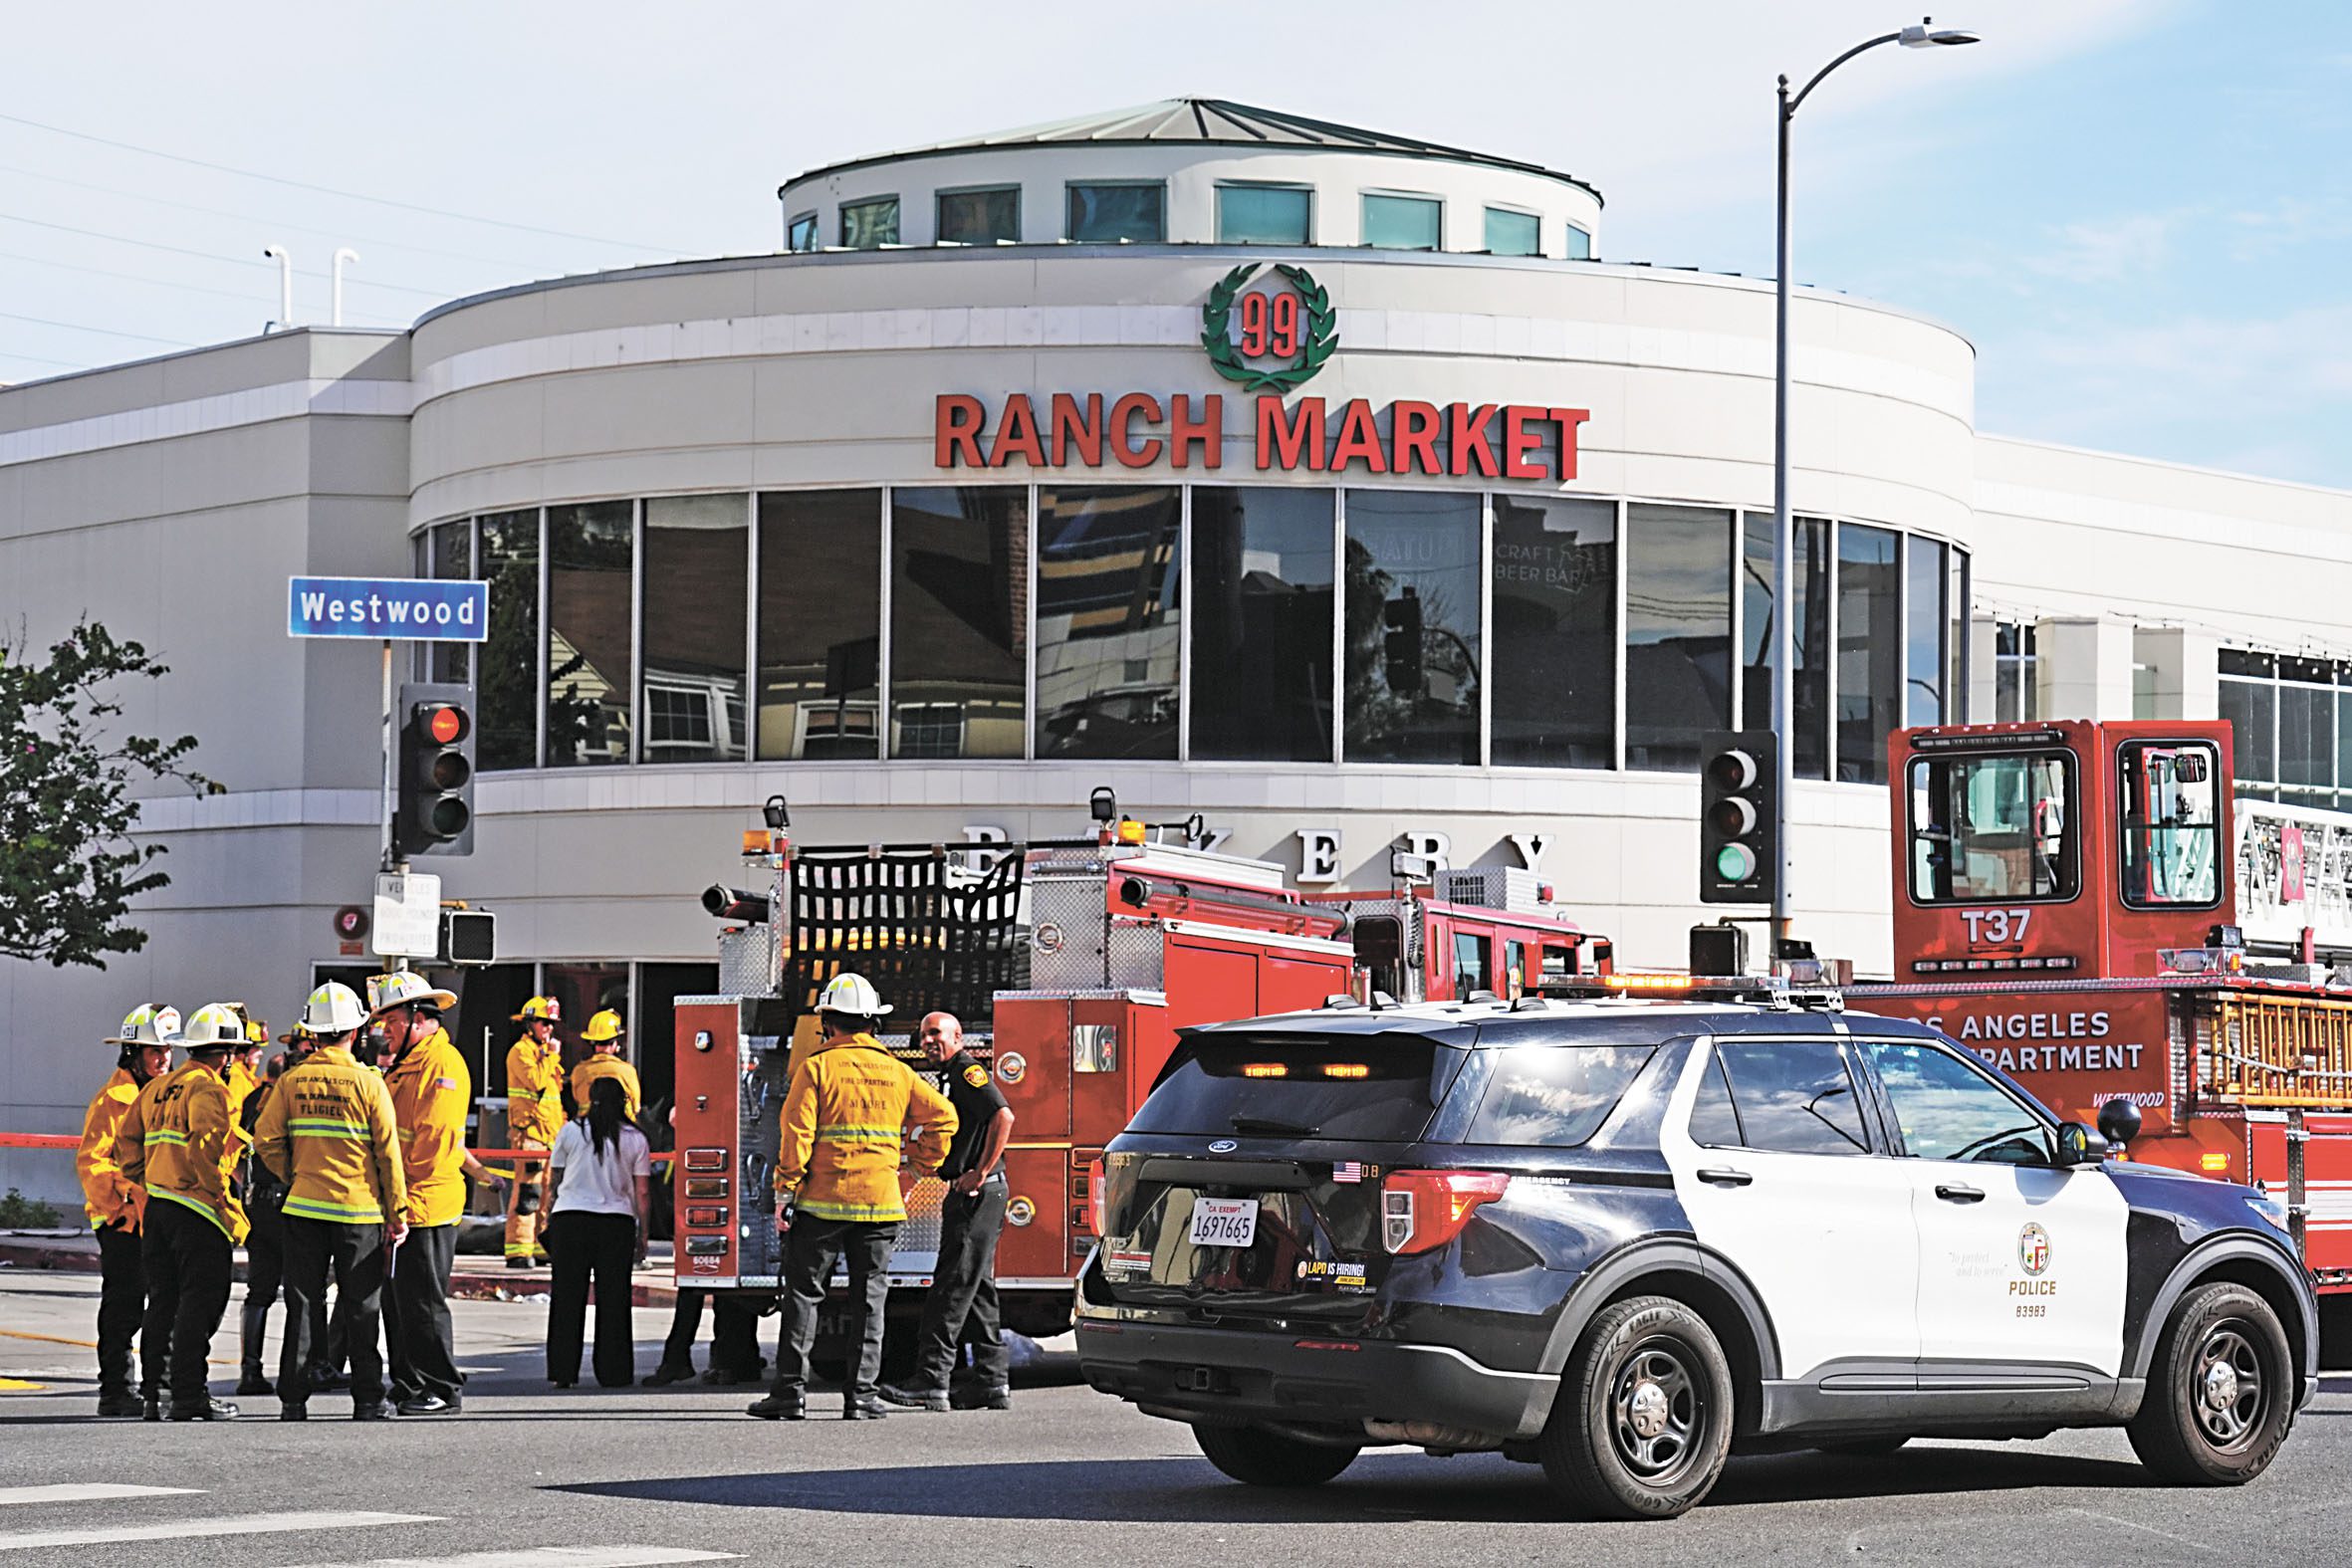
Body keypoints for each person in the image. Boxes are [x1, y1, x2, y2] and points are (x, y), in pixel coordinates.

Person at [749, 973, 956, 1423]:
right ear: (873, 1023)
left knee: (804, 1298)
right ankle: (860, 1398)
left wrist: (785, 1191)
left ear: (828, 1021)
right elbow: (945, 1117)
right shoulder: (898, 1072)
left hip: (822, 1204)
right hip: (880, 1206)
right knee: (870, 1301)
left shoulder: (817, 1068)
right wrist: (918, 1167)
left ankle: (789, 1395)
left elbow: (797, 1134)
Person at [253, 982, 407, 1422]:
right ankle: (367, 1399)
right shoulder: (370, 1083)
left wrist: (293, 1174)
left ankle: (294, 1400)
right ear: (356, 1031)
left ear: (314, 1033)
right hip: (359, 1212)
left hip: (303, 1208)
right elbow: (388, 1154)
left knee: (303, 1303)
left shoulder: (291, 1080)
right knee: (362, 1306)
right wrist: (397, 1213)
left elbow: (265, 1140)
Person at [373, 970, 498, 1417]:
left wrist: (399, 1201)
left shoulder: (441, 1064)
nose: (384, 1028)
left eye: (391, 1020)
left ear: (418, 1018)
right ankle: (408, 1383)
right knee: (399, 1301)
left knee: (423, 1301)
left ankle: (442, 1387)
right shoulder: (405, 1066)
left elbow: (434, 1142)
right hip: (403, 1203)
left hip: (424, 1204)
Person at [118, 1003, 251, 1421]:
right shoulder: (210, 1089)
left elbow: (126, 1148)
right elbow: (206, 1151)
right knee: (201, 1303)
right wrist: (223, 1202)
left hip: (158, 1209)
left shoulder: (155, 1089)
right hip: (197, 1211)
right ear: (226, 1055)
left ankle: (154, 1394)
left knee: (162, 1301)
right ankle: (189, 1394)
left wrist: (150, 1181)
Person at [881, 1009, 1016, 1413]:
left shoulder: (966, 1071)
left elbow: (1003, 1115)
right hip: (980, 1195)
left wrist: (980, 1171)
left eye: (936, 1033)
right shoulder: (953, 1073)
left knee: (951, 1287)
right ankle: (992, 1383)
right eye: (923, 1035)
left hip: (977, 1193)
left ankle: (931, 1380)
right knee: (978, 1290)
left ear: (958, 1036)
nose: (928, 1041)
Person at [77, 1004, 178, 1418]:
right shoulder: (113, 1099)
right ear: (132, 1053)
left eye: (168, 1051)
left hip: (157, 1217)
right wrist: (120, 1207)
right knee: (123, 1306)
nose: (163, 1058)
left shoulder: (170, 1093)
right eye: (154, 1051)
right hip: (122, 1221)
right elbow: (92, 1161)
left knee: (163, 1304)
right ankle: (116, 1388)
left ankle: (157, 1386)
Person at [545, 1076, 651, 1389]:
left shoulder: (572, 1131)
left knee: (566, 1298)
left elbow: (555, 1179)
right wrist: (642, 1234)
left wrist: (547, 1215)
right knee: (614, 1300)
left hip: (570, 1219)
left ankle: (563, 1372)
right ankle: (614, 1372)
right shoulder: (635, 1138)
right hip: (614, 1223)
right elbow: (642, 1193)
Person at [503, 996, 566, 1268]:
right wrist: (551, 1056)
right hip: (529, 1134)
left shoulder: (543, 1054)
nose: (549, 1029)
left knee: (547, 1196)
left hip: (550, 1136)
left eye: (552, 1024)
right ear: (530, 1024)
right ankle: (518, 1249)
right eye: (544, 1023)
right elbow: (536, 1081)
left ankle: (540, 1247)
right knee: (528, 1193)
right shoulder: (521, 1051)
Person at [569, 1008, 641, 1120]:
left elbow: (575, 1098)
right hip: (620, 1131)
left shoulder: (579, 1071)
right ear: (615, 1042)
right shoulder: (627, 1071)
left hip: (587, 1131)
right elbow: (636, 1107)